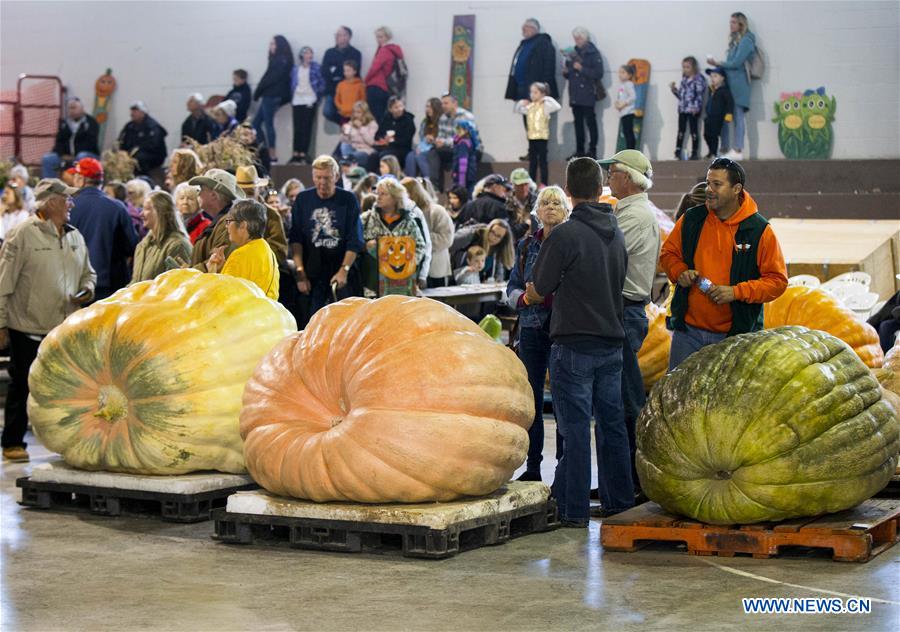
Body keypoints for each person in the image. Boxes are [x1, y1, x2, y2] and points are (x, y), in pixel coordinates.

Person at [531, 157, 632, 526]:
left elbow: (539, 288)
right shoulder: (616, 231)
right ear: (600, 187)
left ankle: (573, 512)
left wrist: (526, 295)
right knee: (611, 428)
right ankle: (619, 504)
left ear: (569, 191)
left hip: (573, 344)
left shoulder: (565, 235)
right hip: (611, 343)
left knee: (573, 431)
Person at [0, 179, 95, 462]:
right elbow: (4, 283)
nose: (71, 204)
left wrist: (87, 290)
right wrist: (1, 324)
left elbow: (89, 274)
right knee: (22, 384)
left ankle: (66, 440)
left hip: (64, 327)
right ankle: (12, 441)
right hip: (26, 325)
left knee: (67, 386)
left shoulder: (75, 236)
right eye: (67, 198)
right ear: (51, 201)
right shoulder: (22, 235)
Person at [660, 158, 788, 369]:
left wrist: (736, 292)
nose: (709, 190)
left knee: (726, 400)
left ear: (736, 189)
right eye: (708, 183)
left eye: (717, 184)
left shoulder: (760, 230)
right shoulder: (692, 219)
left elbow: (778, 281)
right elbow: (668, 254)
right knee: (677, 398)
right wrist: (679, 271)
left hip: (735, 338)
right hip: (687, 334)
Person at [597, 149, 660, 505]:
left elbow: (608, 260)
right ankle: (615, 485)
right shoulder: (626, 212)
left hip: (623, 309)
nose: (608, 177)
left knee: (624, 402)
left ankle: (633, 485)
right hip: (619, 309)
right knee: (615, 402)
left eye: (613, 171)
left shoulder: (635, 217)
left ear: (629, 177)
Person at [506, 185, 571, 481]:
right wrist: (524, 299)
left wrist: (542, 296)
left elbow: (573, 286)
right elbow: (513, 286)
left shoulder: (571, 241)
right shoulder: (526, 245)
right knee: (531, 398)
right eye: (545, 202)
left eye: (557, 202)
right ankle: (533, 467)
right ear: (537, 210)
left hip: (563, 327)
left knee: (563, 400)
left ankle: (563, 467)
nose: (551, 206)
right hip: (532, 327)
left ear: (566, 210)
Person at [290, 155, 365, 316]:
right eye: (318, 177)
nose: (322, 182)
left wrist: (344, 270)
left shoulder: (348, 199)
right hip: (312, 271)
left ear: (336, 177)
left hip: (342, 268)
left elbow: (355, 239)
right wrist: (300, 271)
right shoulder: (303, 199)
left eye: (327, 178)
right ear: (312, 176)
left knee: (348, 319)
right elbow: (296, 239)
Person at [68, 158, 139, 300]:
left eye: (75, 177)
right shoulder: (118, 207)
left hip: (75, 286)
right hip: (111, 288)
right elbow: (132, 246)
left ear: (81, 180)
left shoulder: (68, 208)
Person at [359, 177, 427, 295]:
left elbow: (420, 246)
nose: (378, 197)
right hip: (372, 286)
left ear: (395, 197)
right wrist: (365, 246)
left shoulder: (409, 222)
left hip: (402, 286)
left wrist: (409, 263)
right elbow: (355, 244)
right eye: (377, 193)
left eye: (384, 194)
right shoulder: (365, 219)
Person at [505, 18, 559, 159]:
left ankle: (540, 153)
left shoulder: (543, 44)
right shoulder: (524, 44)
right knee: (528, 122)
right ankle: (532, 151)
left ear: (535, 29)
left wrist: (544, 89)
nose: (523, 30)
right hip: (523, 89)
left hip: (537, 91)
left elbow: (549, 66)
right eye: (523, 27)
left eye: (527, 27)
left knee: (539, 122)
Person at [707, 12, 757, 160]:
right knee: (727, 117)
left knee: (739, 116)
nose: (731, 25)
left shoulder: (747, 40)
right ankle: (726, 148)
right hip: (729, 84)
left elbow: (736, 62)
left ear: (741, 24)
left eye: (734, 22)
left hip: (739, 84)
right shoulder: (735, 41)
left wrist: (718, 63)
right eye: (730, 22)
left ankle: (738, 148)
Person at [207, 199, 280, 300]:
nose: (226, 226)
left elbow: (221, 299)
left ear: (242, 225)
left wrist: (212, 273)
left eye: (229, 221)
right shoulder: (267, 250)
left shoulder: (240, 255)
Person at [187, 168, 246, 270]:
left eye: (201, 189)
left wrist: (190, 272)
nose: (198, 193)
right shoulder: (223, 222)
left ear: (213, 195)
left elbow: (218, 262)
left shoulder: (228, 224)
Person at [402, 176, 453, 287]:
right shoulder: (404, 212)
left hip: (435, 271)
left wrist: (419, 237)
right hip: (412, 270)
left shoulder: (437, 211)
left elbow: (446, 238)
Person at [131, 190, 192, 283]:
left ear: (161, 212)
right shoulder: (142, 246)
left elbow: (181, 286)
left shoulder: (178, 245)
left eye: (147, 209)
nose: (141, 214)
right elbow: (135, 283)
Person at [562, 27, 603, 159]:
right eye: (575, 38)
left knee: (591, 123)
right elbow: (571, 74)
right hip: (575, 94)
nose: (576, 40)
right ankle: (579, 151)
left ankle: (592, 151)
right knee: (578, 124)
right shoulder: (573, 53)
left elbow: (598, 73)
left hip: (588, 93)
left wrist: (582, 68)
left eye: (578, 38)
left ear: (585, 38)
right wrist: (566, 72)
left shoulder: (593, 53)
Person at [253, 35, 294, 163]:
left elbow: (270, 78)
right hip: (272, 95)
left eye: (273, 44)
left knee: (268, 124)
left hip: (271, 95)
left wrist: (258, 91)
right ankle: (264, 150)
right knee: (256, 124)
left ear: (280, 46)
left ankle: (272, 154)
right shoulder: (282, 60)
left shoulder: (280, 60)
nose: (271, 47)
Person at [514, 82, 561, 186]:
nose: (532, 95)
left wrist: (546, 98)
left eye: (535, 92)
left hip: (542, 138)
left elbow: (557, 106)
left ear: (542, 94)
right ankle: (532, 183)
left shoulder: (545, 106)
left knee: (543, 162)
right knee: (533, 162)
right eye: (531, 92)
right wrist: (521, 102)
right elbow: (517, 110)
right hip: (532, 139)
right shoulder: (530, 107)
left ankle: (544, 183)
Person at [41, 97, 100, 177]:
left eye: (74, 108)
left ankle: (80, 185)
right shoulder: (64, 124)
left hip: (87, 154)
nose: (72, 111)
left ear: (82, 109)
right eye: (70, 108)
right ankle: (50, 186)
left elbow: (91, 144)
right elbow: (59, 142)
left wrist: (74, 156)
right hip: (66, 155)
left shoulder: (91, 123)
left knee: (81, 156)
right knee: (48, 158)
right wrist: (62, 154)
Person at [289, 46, 326, 165]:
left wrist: (318, 94)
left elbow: (321, 82)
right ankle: (296, 152)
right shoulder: (296, 69)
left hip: (310, 99)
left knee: (307, 127)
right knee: (297, 127)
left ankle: (304, 153)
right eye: (307, 53)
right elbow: (292, 82)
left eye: (311, 53)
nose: (309, 55)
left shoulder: (315, 68)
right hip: (297, 99)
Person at [321, 26, 363, 124]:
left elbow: (354, 70)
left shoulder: (356, 53)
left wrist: (337, 70)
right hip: (332, 88)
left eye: (343, 35)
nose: (340, 37)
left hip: (349, 89)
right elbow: (325, 70)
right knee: (327, 112)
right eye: (338, 35)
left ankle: (347, 129)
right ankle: (344, 125)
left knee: (350, 113)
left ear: (349, 37)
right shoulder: (329, 52)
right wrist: (336, 72)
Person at [451, 218, 515, 282]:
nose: (493, 237)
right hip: (456, 276)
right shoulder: (472, 234)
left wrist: (497, 281)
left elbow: (499, 274)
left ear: (503, 240)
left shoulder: (499, 248)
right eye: (492, 232)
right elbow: (449, 245)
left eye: (498, 236)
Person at [365, 26, 404, 123]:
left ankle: (379, 137)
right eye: (377, 37)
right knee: (382, 115)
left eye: (381, 37)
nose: (378, 40)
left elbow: (374, 68)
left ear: (387, 37)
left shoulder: (384, 50)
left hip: (376, 86)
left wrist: (365, 81)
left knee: (375, 117)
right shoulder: (394, 50)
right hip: (386, 88)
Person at [669, 57, 706, 160]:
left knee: (694, 131)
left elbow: (699, 95)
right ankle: (677, 152)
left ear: (694, 67)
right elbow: (681, 95)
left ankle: (694, 153)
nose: (685, 69)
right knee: (681, 130)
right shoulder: (684, 79)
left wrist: (697, 107)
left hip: (693, 110)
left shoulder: (699, 79)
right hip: (683, 109)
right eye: (684, 67)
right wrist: (674, 90)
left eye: (687, 67)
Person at [118, 101, 168, 175]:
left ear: (142, 112)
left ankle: (142, 177)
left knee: (139, 158)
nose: (132, 113)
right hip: (133, 154)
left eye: (135, 111)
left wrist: (136, 150)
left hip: (153, 156)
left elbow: (154, 145)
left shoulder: (152, 126)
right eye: (132, 111)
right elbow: (121, 140)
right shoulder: (130, 126)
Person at [372, 96, 415, 171]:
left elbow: (406, 139)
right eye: (396, 107)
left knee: (384, 156)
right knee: (373, 157)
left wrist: (392, 141)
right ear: (390, 109)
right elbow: (377, 135)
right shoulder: (387, 119)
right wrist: (383, 138)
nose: (399, 109)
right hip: (385, 147)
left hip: (402, 149)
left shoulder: (408, 120)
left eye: (401, 106)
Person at [404, 97, 442, 179]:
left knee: (420, 156)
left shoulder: (441, 121)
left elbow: (442, 138)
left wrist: (432, 140)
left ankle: (429, 182)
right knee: (410, 156)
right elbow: (421, 138)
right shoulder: (425, 122)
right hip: (424, 146)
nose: (428, 109)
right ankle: (410, 182)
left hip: (434, 148)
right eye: (427, 106)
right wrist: (419, 147)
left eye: (430, 107)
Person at [703, 67, 734, 158]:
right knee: (706, 135)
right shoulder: (711, 90)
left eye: (715, 76)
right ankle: (711, 150)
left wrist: (729, 114)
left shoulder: (724, 91)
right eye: (711, 76)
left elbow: (730, 103)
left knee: (714, 135)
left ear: (722, 78)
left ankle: (714, 152)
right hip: (709, 116)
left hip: (718, 117)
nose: (712, 78)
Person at [338, 100, 379, 166]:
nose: (356, 115)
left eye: (359, 112)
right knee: (344, 145)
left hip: (365, 151)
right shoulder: (351, 123)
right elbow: (344, 141)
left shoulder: (372, 124)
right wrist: (344, 134)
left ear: (365, 113)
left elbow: (371, 142)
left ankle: (347, 161)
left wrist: (361, 128)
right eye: (354, 112)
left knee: (353, 156)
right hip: (353, 149)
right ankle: (347, 160)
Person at [506, 168, 537, 239]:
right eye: (519, 185)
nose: (523, 188)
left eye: (526, 184)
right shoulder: (506, 202)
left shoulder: (537, 202)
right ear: (512, 185)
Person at [452, 120, 480, 194]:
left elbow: (463, 162)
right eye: (457, 128)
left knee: (465, 196)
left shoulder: (463, 143)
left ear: (466, 131)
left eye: (460, 129)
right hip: (469, 175)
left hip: (464, 176)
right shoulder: (467, 141)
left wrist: (461, 182)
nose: (457, 131)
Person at [615, 64, 637, 150]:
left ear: (629, 75)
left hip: (628, 112)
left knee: (629, 132)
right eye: (619, 72)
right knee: (626, 132)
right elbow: (621, 97)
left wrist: (623, 104)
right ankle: (629, 150)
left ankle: (631, 150)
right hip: (623, 113)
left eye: (623, 72)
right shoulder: (622, 85)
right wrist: (617, 103)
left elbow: (633, 96)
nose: (620, 74)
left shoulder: (629, 84)